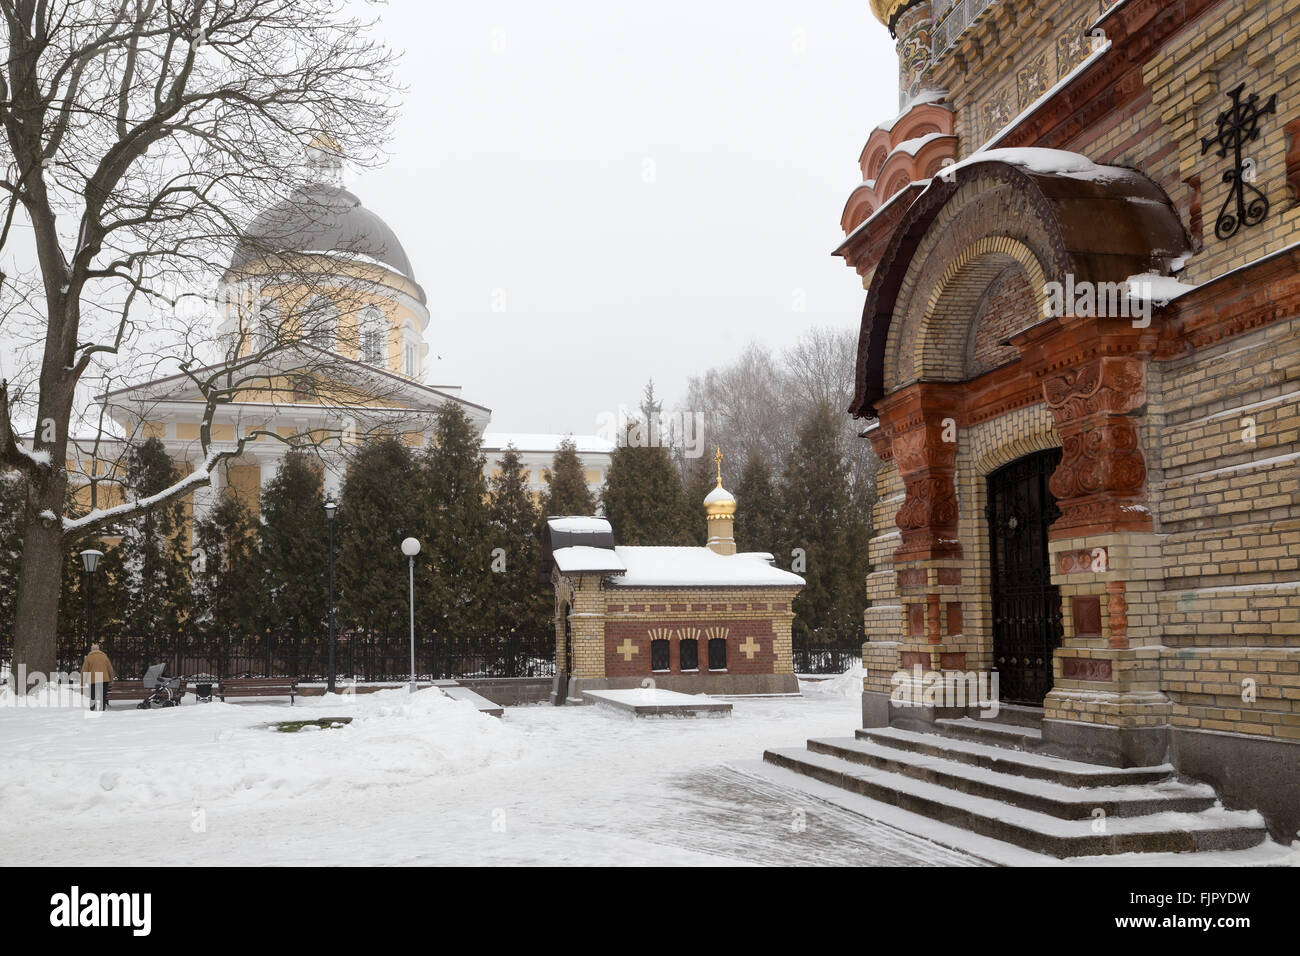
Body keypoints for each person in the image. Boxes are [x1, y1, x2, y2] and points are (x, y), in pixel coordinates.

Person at [80, 644, 116, 711]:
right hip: (104, 678)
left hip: (93, 679)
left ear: (91, 650)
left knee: (92, 695)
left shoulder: (89, 657)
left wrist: (82, 682)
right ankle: (102, 709)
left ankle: (93, 708)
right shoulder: (104, 656)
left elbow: (84, 670)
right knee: (103, 695)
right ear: (99, 649)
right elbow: (110, 669)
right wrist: (111, 679)